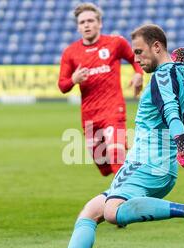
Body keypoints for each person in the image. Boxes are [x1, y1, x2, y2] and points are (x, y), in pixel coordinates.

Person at [44, 24, 184, 248]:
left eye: (140, 52)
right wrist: (182, 54)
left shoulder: (161, 78)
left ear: (157, 47)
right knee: (91, 211)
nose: (137, 58)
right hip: (160, 168)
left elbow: (171, 111)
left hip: (146, 162)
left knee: (111, 212)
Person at [58, 3, 144, 176]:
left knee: (116, 156)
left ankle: (122, 199)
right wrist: (74, 79)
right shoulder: (70, 52)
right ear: (78, 27)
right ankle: (124, 186)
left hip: (113, 110)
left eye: (90, 21)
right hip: (90, 114)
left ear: (99, 23)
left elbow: (135, 57)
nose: (87, 25)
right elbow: (62, 85)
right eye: (82, 22)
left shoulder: (115, 43)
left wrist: (139, 74)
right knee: (104, 167)